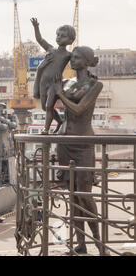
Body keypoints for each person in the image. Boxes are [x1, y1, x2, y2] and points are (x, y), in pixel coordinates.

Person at [53, 46, 108, 255]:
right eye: (72, 57)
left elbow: (78, 109)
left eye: (77, 57)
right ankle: (81, 244)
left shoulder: (95, 84)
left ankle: (100, 244)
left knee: (84, 195)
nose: (72, 60)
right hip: (65, 143)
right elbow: (52, 105)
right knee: (72, 196)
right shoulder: (67, 83)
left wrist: (59, 94)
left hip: (83, 144)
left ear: (86, 61)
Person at [31, 18, 76, 134]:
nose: (59, 37)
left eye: (63, 36)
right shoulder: (51, 49)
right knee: (45, 108)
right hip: (43, 82)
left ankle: (46, 129)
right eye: (58, 35)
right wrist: (36, 27)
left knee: (49, 106)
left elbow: (80, 61)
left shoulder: (68, 55)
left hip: (54, 83)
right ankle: (60, 121)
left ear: (70, 41)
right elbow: (40, 40)